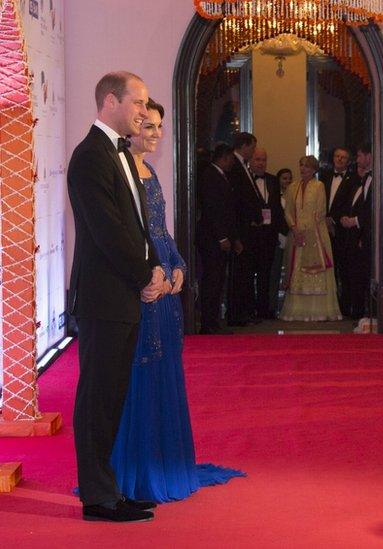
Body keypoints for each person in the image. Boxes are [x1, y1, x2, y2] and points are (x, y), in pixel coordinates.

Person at [110, 99, 243, 503]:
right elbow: (127, 236)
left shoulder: (149, 171)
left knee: (165, 371)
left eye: (159, 127)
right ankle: (139, 472)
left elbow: (161, 230)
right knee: (140, 376)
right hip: (144, 285)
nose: (156, 134)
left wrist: (180, 267)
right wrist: (153, 275)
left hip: (167, 288)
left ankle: (166, 464)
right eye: (148, 126)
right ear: (130, 126)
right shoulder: (118, 171)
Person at [67, 70, 165, 522]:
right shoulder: (90, 156)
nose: (144, 113)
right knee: (97, 398)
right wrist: (145, 274)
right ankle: (98, 497)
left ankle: (108, 489)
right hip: (106, 297)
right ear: (110, 101)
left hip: (123, 295)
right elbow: (107, 231)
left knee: (112, 396)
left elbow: (135, 227)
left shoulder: (123, 155)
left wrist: (157, 265)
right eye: (138, 103)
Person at [280, 155, 342, 321]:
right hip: (297, 235)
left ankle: (319, 311)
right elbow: (287, 211)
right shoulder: (293, 187)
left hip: (316, 234)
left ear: (314, 169)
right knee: (297, 270)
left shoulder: (319, 186)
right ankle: (298, 310)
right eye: (301, 165)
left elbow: (320, 212)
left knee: (317, 271)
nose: (302, 169)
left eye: (306, 166)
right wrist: (294, 229)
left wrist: (306, 231)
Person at [196, 143, 238, 335]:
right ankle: (208, 322)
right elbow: (213, 209)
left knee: (217, 279)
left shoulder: (219, 175)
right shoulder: (211, 176)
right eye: (231, 159)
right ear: (225, 157)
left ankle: (212, 321)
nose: (232, 163)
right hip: (212, 239)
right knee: (212, 281)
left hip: (218, 238)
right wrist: (222, 237)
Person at [247, 147, 287, 319]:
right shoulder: (246, 179)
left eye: (263, 160)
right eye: (257, 159)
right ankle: (249, 310)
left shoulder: (272, 180)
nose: (261, 163)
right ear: (251, 161)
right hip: (252, 233)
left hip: (269, 235)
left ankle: (265, 309)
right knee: (248, 275)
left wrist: (281, 232)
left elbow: (277, 208)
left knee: (267, 274)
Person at [336, 143, 374, 319]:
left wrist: (356, 221)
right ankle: (357, 313)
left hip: (366, 234)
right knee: (354, 275)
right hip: (356, 234)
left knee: (362, 276)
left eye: (359, 156)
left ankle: (362, 313)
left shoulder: (374, 178)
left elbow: (372, 209)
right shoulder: (364, 180)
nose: (357, 160)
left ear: (368, 156)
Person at [226, 131, 259, 326]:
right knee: (239, 273)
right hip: (240, 229)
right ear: (244, 146)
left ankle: (243, 312)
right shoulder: (234, 166)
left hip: (247, 228)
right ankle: (237, 314)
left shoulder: (242, 166)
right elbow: (237, 200)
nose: (254, 151)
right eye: (253, 147)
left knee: (245, 272)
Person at [323, 146, 358, 316]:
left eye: (343, 157)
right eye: (337, 156)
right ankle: (329, 305)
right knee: (328, 269)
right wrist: (325, 218)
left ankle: (345, 307)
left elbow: (349, 204)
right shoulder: (324, 177)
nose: (339, 159)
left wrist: (334, 220)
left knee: (344, 269)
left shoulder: (353, 179)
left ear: (349, 161)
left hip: (342, 232)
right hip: (324, 229)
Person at [268, 167, 294, 316]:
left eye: (290, 178)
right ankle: (272, 306)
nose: (287, 181)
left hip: (292, 236)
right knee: (275, 272)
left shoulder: (295, 195)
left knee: (291, 272)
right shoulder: (274, 195)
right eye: (284, 178)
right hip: (278, 236)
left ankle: (288, 307)